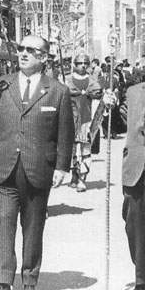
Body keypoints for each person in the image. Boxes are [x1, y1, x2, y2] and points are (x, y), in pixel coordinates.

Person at [0, 35, 74, 290]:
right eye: (20, 48)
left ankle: (30, 281)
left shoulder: (58, 91)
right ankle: (3, 283)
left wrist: (62, 167)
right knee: (5, 223)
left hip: (38, 168)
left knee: (33, 227)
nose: (23, 54)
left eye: (31, 50)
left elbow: (65, 132)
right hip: (5, 166)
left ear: (44, 57)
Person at [104, 38, 145, 290]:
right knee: (134, 230)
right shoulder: (135, 90)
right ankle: (143, 281)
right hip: (136, 171)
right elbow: (119, 123)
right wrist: (108, 106)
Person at [65, 53, 103, 192]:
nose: (83, 66)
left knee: (86, 151)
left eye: (85, 63)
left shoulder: (93, 82)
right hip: (70, 119)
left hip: (86, 120)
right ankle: (74, 175)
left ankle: (82, 178)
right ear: (75, 64)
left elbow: (99, 98)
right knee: (71, 151)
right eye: (80, 63)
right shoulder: (66, 80)